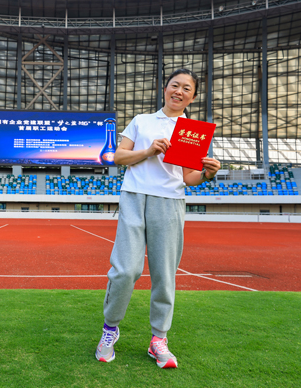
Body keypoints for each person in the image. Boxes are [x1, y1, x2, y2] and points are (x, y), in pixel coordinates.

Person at [95, 68, 221, 369]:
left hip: (170, 201)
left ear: (193, 96)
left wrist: (207, 174)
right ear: (164, 89)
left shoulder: (193, 131)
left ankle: (159, 339)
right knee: (125, 270)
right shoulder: (142, 121)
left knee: (165, 274)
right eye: (175, 85)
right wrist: (149, 150)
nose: (179, 91)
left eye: (187, 88)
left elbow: (189, 177)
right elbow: (118, 157)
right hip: (134, 196)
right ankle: (110, 330)